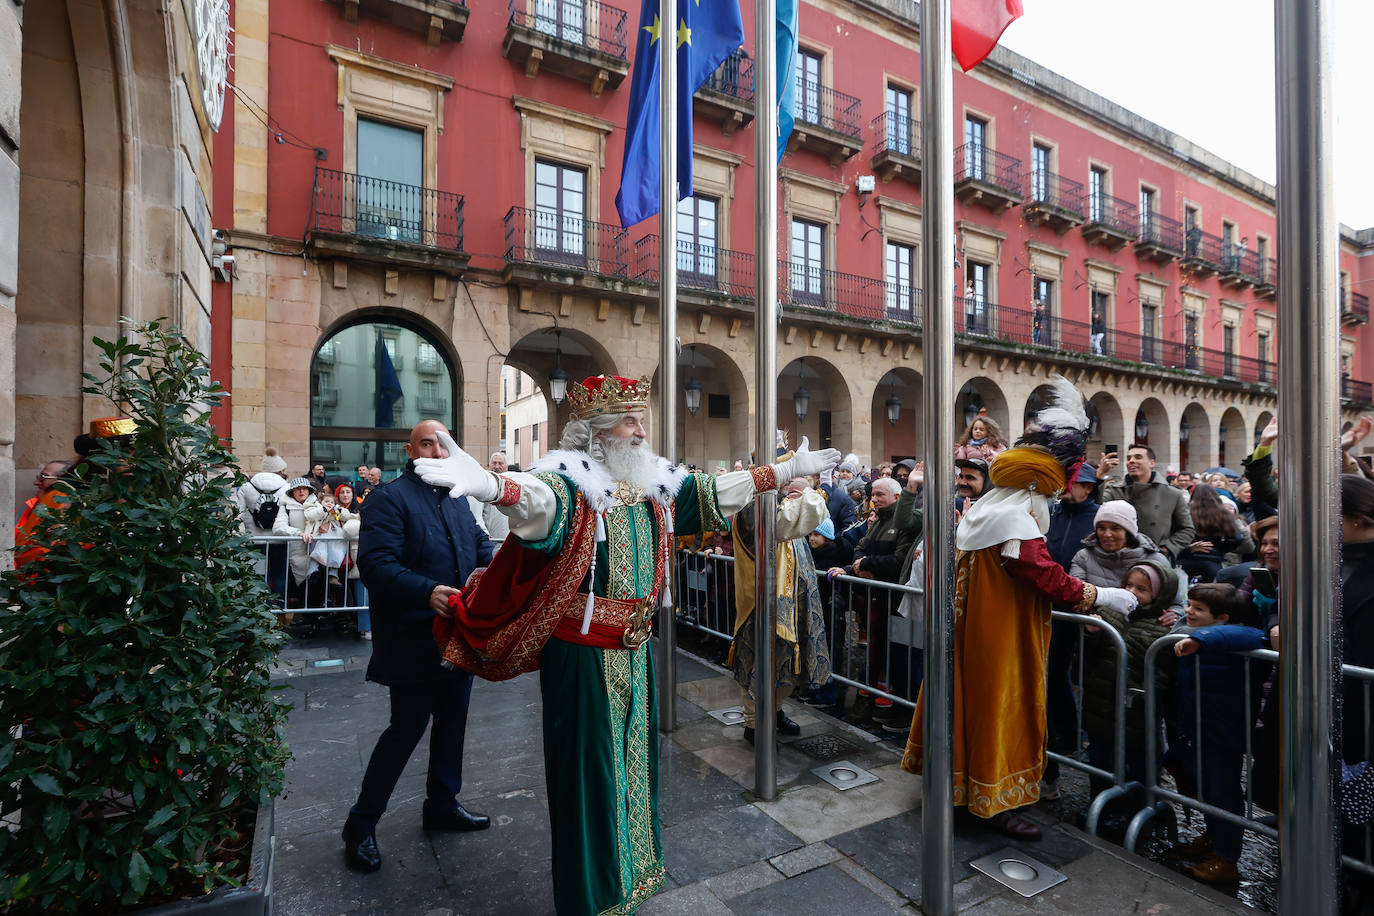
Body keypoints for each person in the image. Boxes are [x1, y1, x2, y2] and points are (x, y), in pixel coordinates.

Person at [414, 375, 839, 914]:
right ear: (596, 434)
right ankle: (591, 897)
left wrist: (784, 471)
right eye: (628, 421)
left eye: (641, 419)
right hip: (584, 654)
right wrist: (498, 488)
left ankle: (631, 877)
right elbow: (539, 503)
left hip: (634, 651)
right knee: (590, 775)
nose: (641, 431)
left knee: (634, 766)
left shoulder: (652, 486)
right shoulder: (571, 482)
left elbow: (714, 493)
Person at [903, 376, 1140, 840]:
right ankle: (990, 802)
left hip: (971, 634)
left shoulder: (985, 511)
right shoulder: (1014, 516)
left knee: (961, 706)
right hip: (1000, 640)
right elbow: (1041, 574)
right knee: (997, 712)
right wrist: (1103, 597)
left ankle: (957, 785)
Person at [340, 420, 494, 874]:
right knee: (405, 730)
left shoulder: (457, 496)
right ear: (412, 451)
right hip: (411, 640)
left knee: (453, 723)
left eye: (444, 444)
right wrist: (427, 591)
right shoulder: (388, 498)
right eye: (428, 442)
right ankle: (360, 824)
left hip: (458, 638)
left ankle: (442, 805)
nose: (437, 450)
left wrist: (499, 571)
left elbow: (479, 546)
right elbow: (376, 564)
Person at [1171, 583, 1264, 883]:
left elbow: (1254, 634)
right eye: (1189, 605)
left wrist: (1203, 638)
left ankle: (1227, 858)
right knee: (1208, 790)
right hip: (1197, 727)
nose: (1189, 612)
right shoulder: (1189, 632)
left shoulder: (1235, 638)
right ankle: (1213, 839)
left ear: (1222, 618)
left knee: (1224, 793)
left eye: (1198, 609)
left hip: (1223, 732)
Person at [729, 475, 832, 744]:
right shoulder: (751, 508)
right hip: (760, 607)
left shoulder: (777, 506)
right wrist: (809, 494)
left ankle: (774, 711)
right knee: (758, 666)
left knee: (784, 668)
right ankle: (753, 723)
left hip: (790, 608)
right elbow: (785, 524)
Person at [1080, 556, 1179, 793]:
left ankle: (1137, 809)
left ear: (1159, 594)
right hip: (1101, 704)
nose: (1132, 592)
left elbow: (1163, 673)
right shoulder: (1108, 614)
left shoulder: (1162, 627)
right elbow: (1085, 659)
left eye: (1142, 589)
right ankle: (1100, 804)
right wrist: (1091, 633)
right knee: (1100, 760)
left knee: (1138, 766)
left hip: (1137, 712)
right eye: (1128, 585)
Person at [1041, 462, 1100, 797]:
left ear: (1088, 488)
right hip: (1053, 602)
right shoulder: (1055, 512)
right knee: (1055, 667)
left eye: (1072, 482)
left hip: (1084, 606)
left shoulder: (1098, 516)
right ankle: (1065, 729)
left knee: (1075, 672)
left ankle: (1077, 732)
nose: (1064, 487)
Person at [1099, 444, 1195, 561]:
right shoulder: (1115, 490)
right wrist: (1100, 474)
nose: (1132, 461)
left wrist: (1166, 549)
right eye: (1129, 458)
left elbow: (1187, 529)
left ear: (1152, 463)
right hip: (1117, 559)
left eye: (1138, 457)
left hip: (1153, 560)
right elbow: (1096, 507)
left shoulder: (1172, 494)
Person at [1177, 483, 1252, 583]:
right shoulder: (1223, 514)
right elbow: (1237, 538)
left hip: (1187, 559)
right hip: (1213, 560)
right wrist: (1220, 548)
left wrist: (1189, 548)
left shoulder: (1186, 512)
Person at [274, 477, 324, 610]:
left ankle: (315, 622)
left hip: (316, 554)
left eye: (304, 488)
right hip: (294, 554)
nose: (302, 491)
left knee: (316, 589)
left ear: (309, 491)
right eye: (298, 489)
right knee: (299, 590)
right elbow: (278, 528)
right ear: (292, 492)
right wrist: (298, 533)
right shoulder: (285, 507)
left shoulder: (317, 504)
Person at [13, 458, 73, 568]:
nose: (36, 483)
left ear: (62, 482)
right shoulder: (28, 507)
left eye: (43, 477)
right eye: (39, 477)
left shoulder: (65, 509)